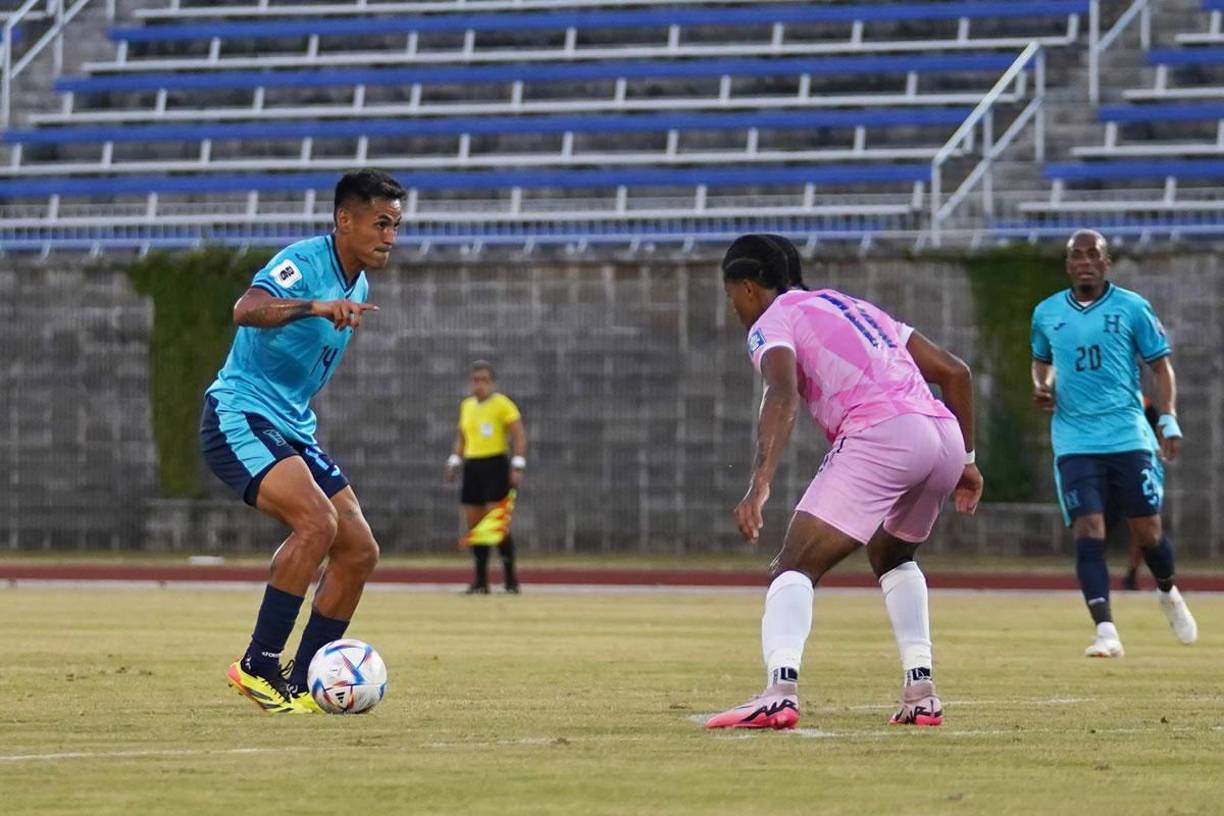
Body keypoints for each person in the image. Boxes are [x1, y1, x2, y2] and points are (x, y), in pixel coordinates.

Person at [706, 234, 983, 731]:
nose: (735, 311)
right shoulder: (852, 305)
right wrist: (966, 460)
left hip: (884, 432)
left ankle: (779, 691)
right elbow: (956, 373)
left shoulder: (773, 320)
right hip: (941, 433)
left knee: (793, 564)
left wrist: (760, 484)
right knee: (892, 556)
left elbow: (782, 393)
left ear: (749, 287)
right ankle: (921, 690)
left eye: (732, 298)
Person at [200, 169, 406, 713]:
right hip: (239, 413)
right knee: (318, 523)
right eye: (381, 223)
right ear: (345, 219)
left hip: (291, 424)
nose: (390, 235)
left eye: (396, 225)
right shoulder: (306, 263)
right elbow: (245, 310)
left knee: (359, 550)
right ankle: (258, 664)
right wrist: (314, 306)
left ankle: (303, 681)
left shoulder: (357, 281)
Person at [1030, 229, 1196, 658]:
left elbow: (1161, 368)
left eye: (1093, 254)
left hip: (1126, 434)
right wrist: (1042, 386)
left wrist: (1170, 419)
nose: (1085, 261)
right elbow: (1041, 361)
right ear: (1068, 265)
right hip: (1074, 439)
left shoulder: (1132, 307)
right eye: (1076, 255)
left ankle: (1167, 589)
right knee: (1089, 528)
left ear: (1106, 263)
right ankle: (1105, 629)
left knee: (1147, 531)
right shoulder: (1046, 312)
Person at [445, 361, 527, 594]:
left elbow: (519, 435)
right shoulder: (467, 406)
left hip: (495, 464)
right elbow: (462, 437)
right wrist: (454, 460)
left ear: (491, 383)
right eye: (475, 380)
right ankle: (481, 581)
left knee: (496, 522)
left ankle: (511, 579)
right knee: (474, 523)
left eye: (483, 380)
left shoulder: (502, 404)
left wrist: (518, 465)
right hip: (473, 466)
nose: (478, 385)